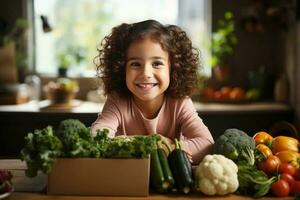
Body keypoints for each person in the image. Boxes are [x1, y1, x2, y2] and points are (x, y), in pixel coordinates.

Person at [92, 19, 214, 164]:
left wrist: (166, 146)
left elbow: (206, 144)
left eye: (157, 63)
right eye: (135, 64)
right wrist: (151, 143)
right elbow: (96, 139)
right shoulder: (117, 100)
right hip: (130, 180)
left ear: (173, 68)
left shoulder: (179, 102)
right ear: (121, 69)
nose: (146, 73)